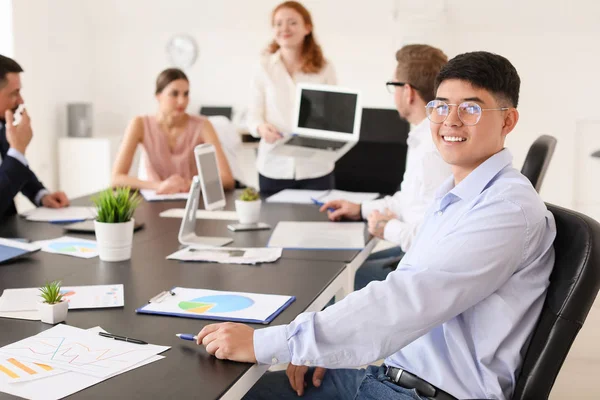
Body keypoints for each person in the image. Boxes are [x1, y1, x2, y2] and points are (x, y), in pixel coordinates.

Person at [193, 52, 557, 400]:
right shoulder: (457, 192)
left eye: (471, 108)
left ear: (508, 121)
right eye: (442, 105)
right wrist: (322, 348)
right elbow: (405, 288)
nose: (451, 120)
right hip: (394, 373)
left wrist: (272, 343)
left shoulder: (505, 210)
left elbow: (406, 300)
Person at [321, 44, 452, 290]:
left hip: (421, 273)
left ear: (408, 92)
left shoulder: (432, 153)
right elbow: (412, 200)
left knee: (330, 283)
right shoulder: (423, 139)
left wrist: (387, 227)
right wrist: (360, 209)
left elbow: (434, 244)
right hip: (412, 257)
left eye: (393, 86)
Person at [247, 1, 337, 195]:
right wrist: (261, 128)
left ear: (307, 28)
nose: (284, 29)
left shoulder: (324, 68)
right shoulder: (263, 67)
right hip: (274, 166)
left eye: (292, 22)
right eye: (278, 24)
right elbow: (253, 115)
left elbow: (333, 114)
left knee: (316, 225)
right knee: (273, 223)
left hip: (315, 167)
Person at [111, 68, 234, 194]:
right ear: (158, 96)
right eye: (174, 94)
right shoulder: (139, 124)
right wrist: (160, 185)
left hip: (191, 198)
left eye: (186, 94)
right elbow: (116, 179)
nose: (182, 101)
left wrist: (186, 184)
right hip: (154, 198)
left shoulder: (203, 125)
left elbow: (227, 179)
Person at [0, 54, 69, 219]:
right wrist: (18, 149)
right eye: (14, 93)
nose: (20, 100)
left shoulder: (2, 126)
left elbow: (11, 168)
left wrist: (41, 195)